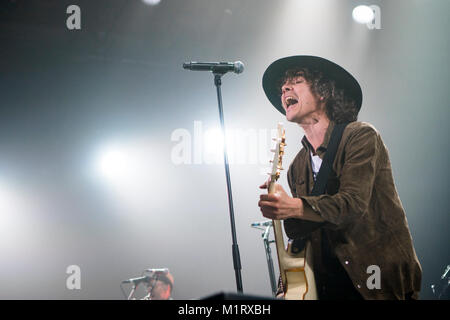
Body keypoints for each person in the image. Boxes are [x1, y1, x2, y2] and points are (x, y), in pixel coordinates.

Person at [258, 55, 422, 300]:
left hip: (374, 282)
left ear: (323, 91)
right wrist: (287, 283)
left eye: (296, 81)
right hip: (329, 285)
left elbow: (352, 205)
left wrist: (294, 206)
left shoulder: (360, 136)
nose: (284, 88)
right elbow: (305, 232)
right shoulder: (297, 167)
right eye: (283, 85)